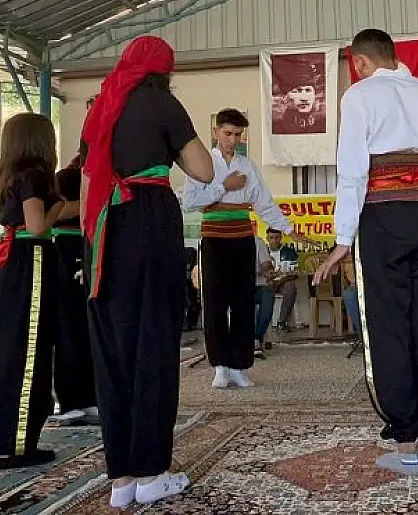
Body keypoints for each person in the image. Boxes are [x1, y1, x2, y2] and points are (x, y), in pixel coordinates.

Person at [314, 28, 418, 476]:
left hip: (383, 219)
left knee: (390, 328)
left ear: (358, 62)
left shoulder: (359, 95)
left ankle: (406, 445)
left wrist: (341, 240)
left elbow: (352, 172)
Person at [80, 35, 215, 507]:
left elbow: (87, 180)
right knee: (153, 344)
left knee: (115, 349)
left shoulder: (99, 106)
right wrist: (174, 151)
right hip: (149, 220)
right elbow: (203, 170)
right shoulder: (162, 103)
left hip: (103, 228)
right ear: (164, 69)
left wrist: (92, 244)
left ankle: (121, 480)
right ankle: (152, 471)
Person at [182, 109, 316, 389]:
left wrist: (292, 231)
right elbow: (190, 202)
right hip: (213, 239)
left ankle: (240, 365)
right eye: (227, 133)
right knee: (215, 303)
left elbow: (265, 204)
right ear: (215, 131)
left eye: (238, 134)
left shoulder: (248, 166)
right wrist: (223, 186)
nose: (232, 140)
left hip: (243, 237)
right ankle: (219, 365)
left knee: (243, 302)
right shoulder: (203, 164)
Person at [0, 112, 63, 470]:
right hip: (29, 261)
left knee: (10, 352)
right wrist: (59, 207)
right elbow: (36, 225)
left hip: (9, 262)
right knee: (29, 353)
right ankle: (17, 446)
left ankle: (7, 442)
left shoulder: (6, 175)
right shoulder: (34, 176)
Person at [47, 151, 99, 426]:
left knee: (87, 329)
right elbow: (55, 212)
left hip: (86, 248)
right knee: (67, 330)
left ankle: (89, 397)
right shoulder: (65, 178)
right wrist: (90, 203)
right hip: (65, 252)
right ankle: (68, 399)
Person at [254, 228, 301, 356]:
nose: (274, 240)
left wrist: (280, 278)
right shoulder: (263, 248)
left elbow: (295, 273)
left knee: (290, 286)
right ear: (267, 238)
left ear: (281, 238)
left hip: (279, 282)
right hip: (262, 283)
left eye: (277, 237)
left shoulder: (288, 252)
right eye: (271, 238)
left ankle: (281, 322)